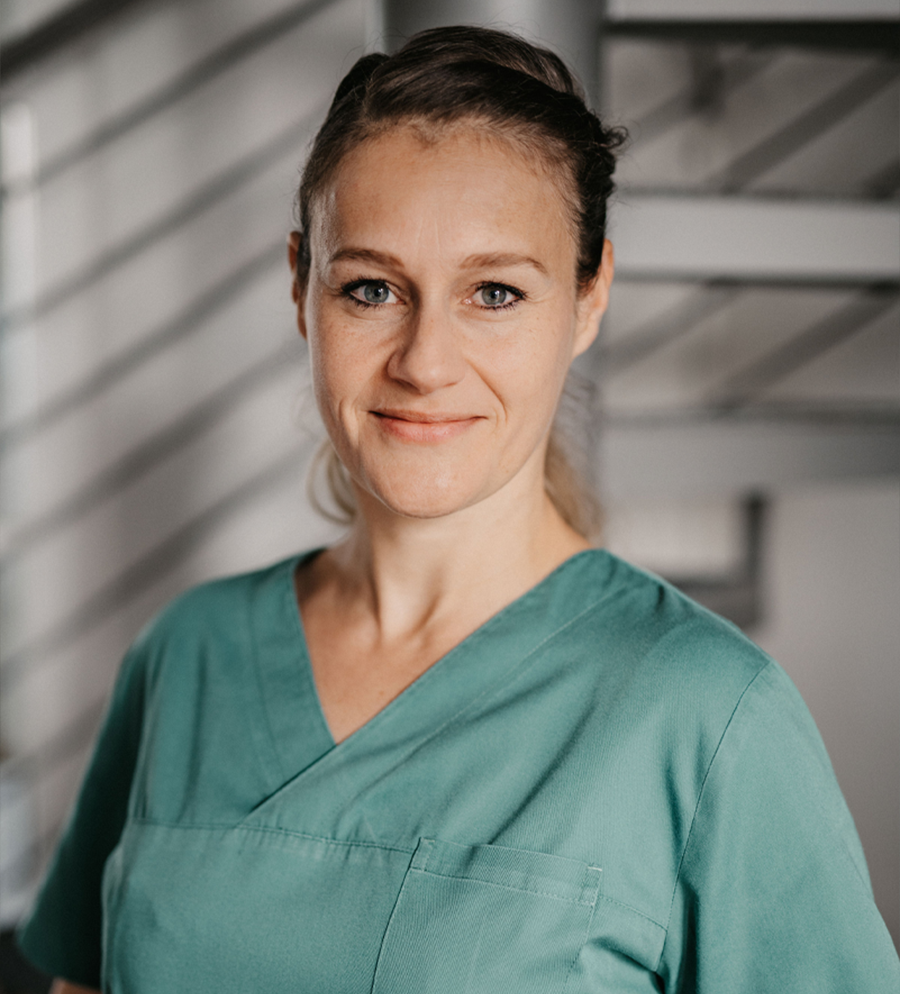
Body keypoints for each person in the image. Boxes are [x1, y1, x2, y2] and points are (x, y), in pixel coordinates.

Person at [19, 25, 899, 994]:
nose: (426, 362)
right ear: (302, 288)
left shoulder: (708, 716)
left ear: (589, 296)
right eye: (371, 288)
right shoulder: (187, 654)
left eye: (494, 292)